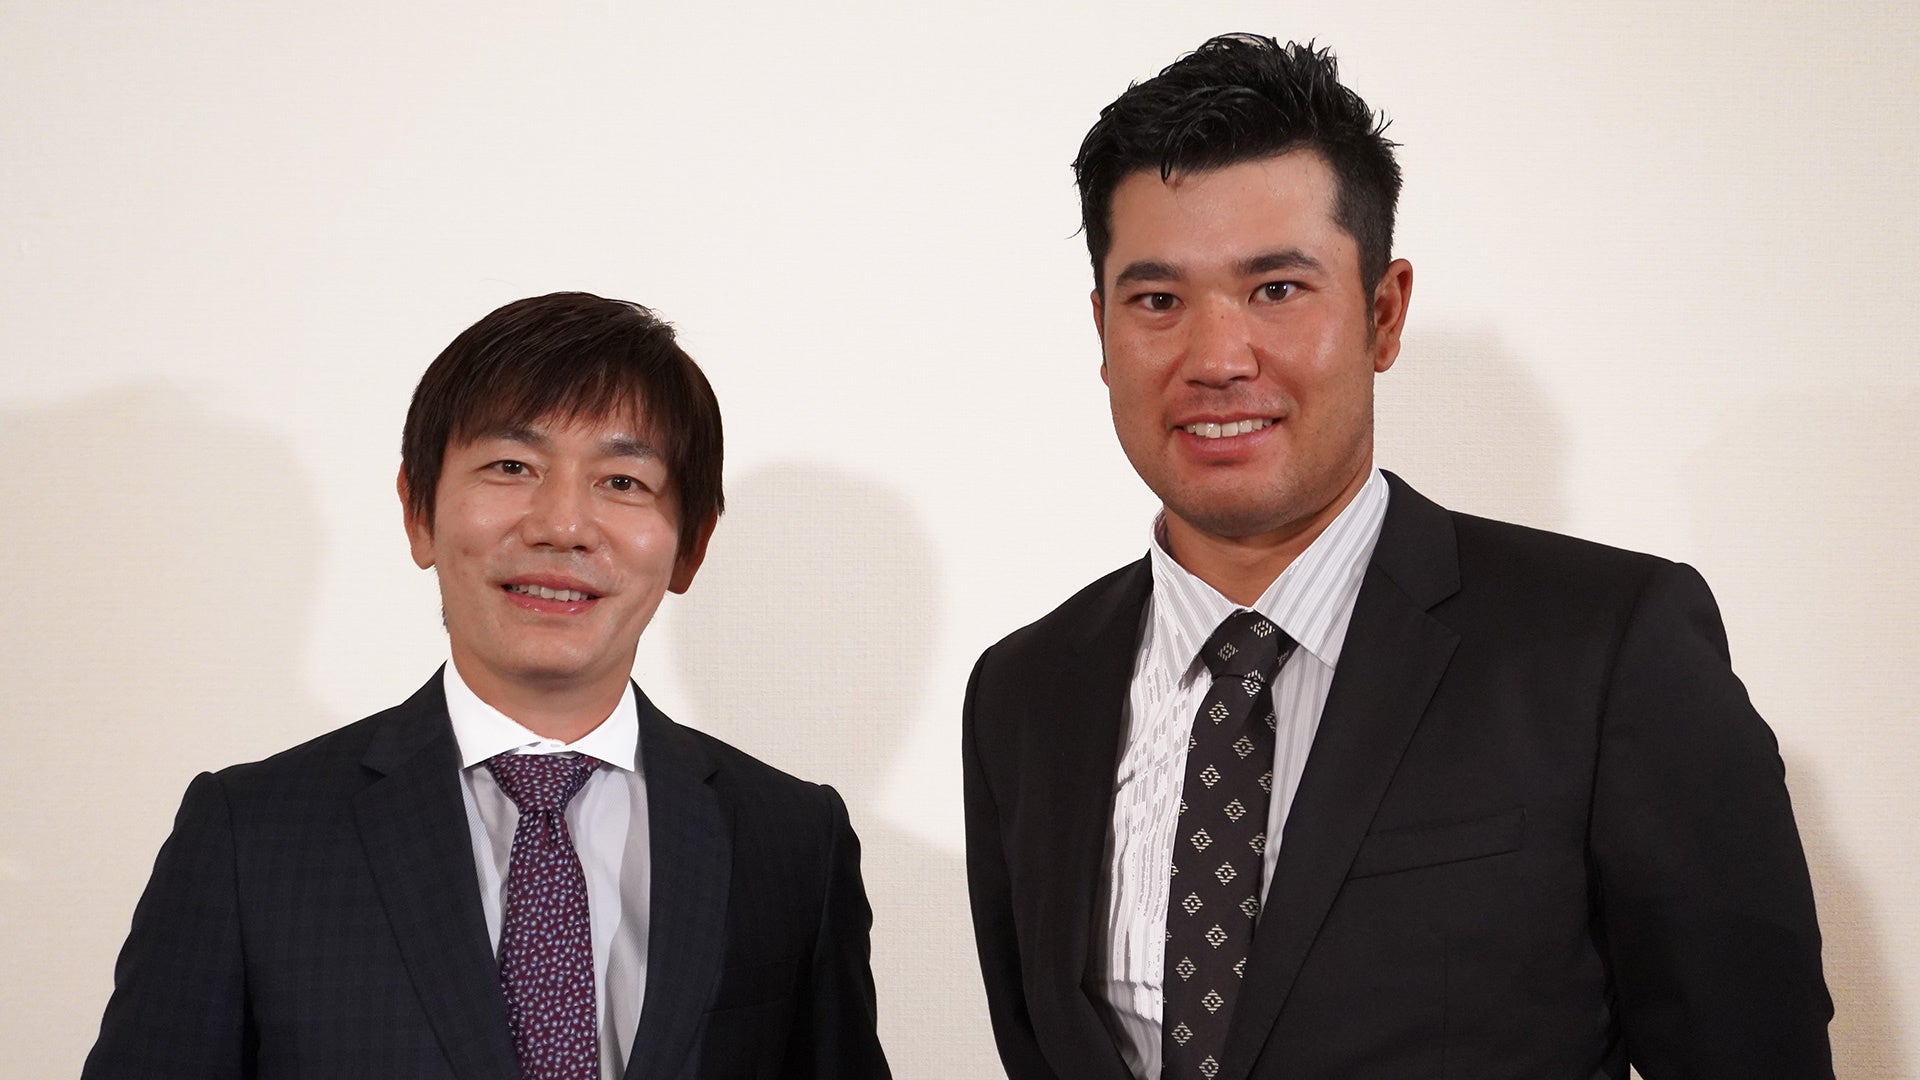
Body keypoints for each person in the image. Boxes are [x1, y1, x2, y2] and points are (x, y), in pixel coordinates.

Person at [962, 35, 1832, 1080]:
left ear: (1383, 313)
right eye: (1157, 301)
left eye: (1278, 289)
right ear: (1102, 330)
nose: (1218, 358)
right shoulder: (1024, 694)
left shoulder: (1608, 650)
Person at [84, 292, 892, 1079]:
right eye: (511, 466)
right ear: (419, 513)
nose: (562, 525)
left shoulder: (791, 840)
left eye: (622, 482)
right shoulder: (250, 835)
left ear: (691, 546)